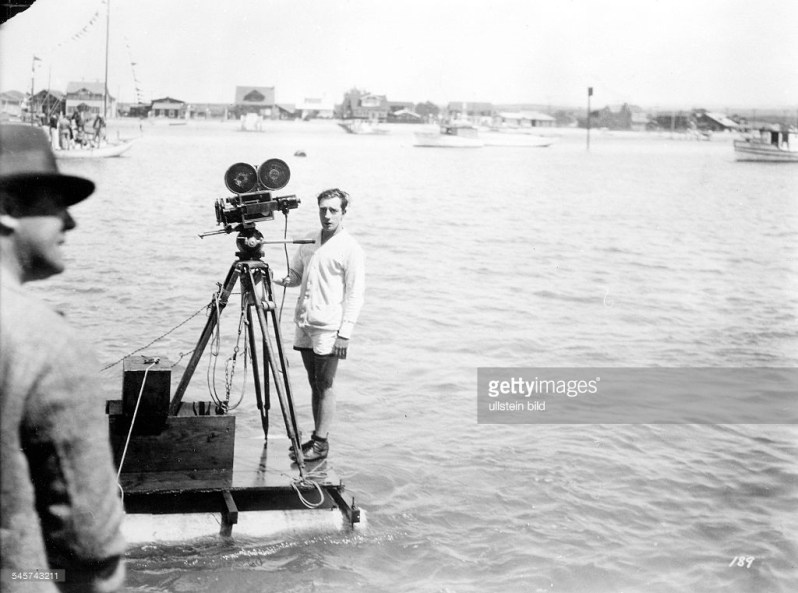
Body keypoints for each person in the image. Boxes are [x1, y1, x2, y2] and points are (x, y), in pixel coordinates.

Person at [0, 124, 126, 592]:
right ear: (8, 208)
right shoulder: (45, 341)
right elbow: (91, 550)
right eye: (56, 203)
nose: (70, 222)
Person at [274, 188, 365, 462]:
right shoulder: (309, 241)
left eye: (333, 210)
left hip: (329, 328)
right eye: (323, 209)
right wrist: (266, 271)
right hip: (304, 322)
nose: (327, 215)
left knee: (325, 384)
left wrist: (344, 335)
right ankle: (315, 438)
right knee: (314, 384)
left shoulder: (351, 248)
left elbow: (355, 295)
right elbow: (294, 277)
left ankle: (321, 442)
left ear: (343, 212)